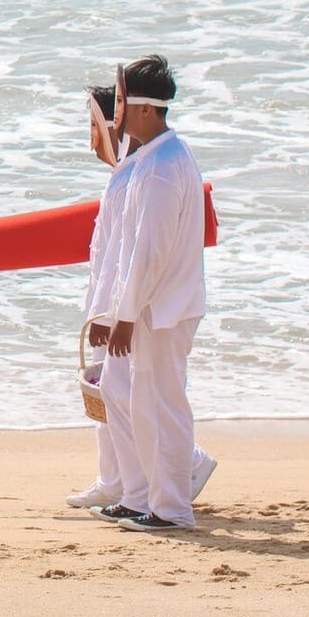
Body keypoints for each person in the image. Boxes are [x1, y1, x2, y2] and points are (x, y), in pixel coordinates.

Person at [67, 83, 216, 515]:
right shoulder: (141, 165)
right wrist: (110, 308)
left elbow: (142, 252)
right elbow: (118, 252)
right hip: (136, 306)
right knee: (124, 395)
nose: (105, 129)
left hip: (157, 309)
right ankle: (134, 494)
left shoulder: (157, 168)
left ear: (143, 110)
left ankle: (168, 502)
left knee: (154, 403)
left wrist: (120, 313)